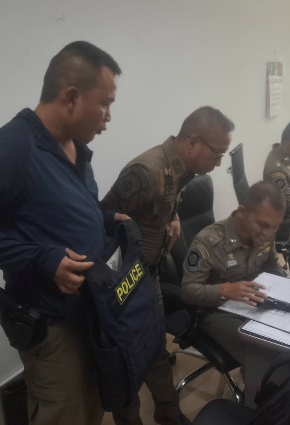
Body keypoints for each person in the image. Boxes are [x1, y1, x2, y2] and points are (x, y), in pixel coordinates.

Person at [0, 41, 125, 425]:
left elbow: (57, 211)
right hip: (53, 327)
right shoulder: (12, 148)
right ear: (71, 98)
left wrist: (106, 220)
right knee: (65, 415)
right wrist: (39, 257)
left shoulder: (74, 148)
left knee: (93, 407)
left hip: (92, 314)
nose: (108, 117)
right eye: (105, 103)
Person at [100, 106, 234, 425]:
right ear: (193, 142)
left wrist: (173, 218)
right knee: (128, 360)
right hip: (123, 283)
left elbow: (162, 204)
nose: (218, 163)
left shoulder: (183, 169)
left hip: (149, 274)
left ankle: (168, 413)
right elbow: (101, 222)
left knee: (156, 349)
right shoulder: (146, 172)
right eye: (217, 154)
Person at [181, 181, 287, 365]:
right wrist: (224, 290)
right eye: (262, 225)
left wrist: (282, 283)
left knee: (288, 340)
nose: (268, 233)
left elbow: (270, 264)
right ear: (242, 212)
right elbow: (187, 291)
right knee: (261, 352)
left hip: (255, 302)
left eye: (275, 226)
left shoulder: (266, 231)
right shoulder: (208, 242)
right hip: (217, 311)